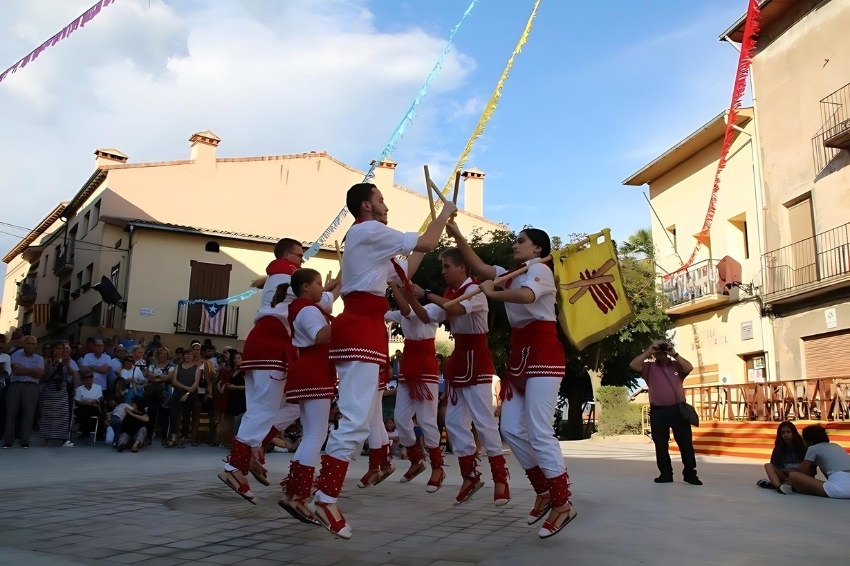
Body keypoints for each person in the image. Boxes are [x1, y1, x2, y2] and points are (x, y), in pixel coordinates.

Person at [306, 181, 456, 540]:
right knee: (355, 421)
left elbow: (409, 266)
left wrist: (437, 225)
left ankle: (326, 492)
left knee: (359, 419)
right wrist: (445, 214)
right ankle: (325, 497)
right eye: (381, 200)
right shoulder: (369, 231)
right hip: (360, 331)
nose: (386, 206)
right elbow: (426, 243)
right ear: (366, 206)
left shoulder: (371, 244)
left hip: (365, 331)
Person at [447, 224, 574, 538]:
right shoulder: (512, 273)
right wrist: (457, 234)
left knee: (540, 431)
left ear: (537, 248)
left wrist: (493, 293)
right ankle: (543, 490)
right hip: (521, 356)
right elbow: (479, 267)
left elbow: (527, 296)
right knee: (511, 429)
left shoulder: (540, 270)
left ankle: (562, 503)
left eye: (521, 241)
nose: (515, 245)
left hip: (543, 352)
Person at [413, 247, 509, 508]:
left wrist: (425, 293)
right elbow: (425, 315)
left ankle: (501, 480)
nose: (443, 271)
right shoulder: (450, 294)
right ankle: (470, 476)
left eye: (447, 266)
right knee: (454, 422)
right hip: (460, 361)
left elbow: (455, 310)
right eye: (442, 266)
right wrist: (408, 295)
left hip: (476, 359)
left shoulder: (474, 290)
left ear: (462, 268)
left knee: (484, 421)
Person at [219, 284, 298, 504]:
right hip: (272, 353)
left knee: (268, 407)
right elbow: (321, 297)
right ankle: (236, 465)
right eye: (317, 284)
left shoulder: (278, 292)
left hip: (261, 350)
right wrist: (338, 283)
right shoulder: (293, 286)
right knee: (265, 409)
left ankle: (253, 450)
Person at [279, 268, 338, 524]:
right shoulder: (308, 311)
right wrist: (344, 322)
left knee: (311, 434)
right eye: (318, 283)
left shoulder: (302, 308)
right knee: (316, 434)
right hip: (315, 372)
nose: (322, 288)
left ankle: (295, 492)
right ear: (305, 287)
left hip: (308, 371)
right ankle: (298, 495)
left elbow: (330, 296)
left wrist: (338, 283)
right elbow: (320, 336)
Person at [385, 281, 447, 492]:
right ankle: (416, 460)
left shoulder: (432, 309)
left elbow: (407, 311)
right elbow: (384, 313)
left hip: (425, 369)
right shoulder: (405, 311)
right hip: (408, 370)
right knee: (401, 418)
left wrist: (392, 284)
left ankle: (438, 467)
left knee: (426, 420)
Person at [629, 340, 700, 486]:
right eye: (657, 350)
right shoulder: (649, 367)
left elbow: (689, 367)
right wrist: (649, 352)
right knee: (660, 444)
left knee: (685, 443)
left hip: (677, 410)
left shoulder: (676, 366)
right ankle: (665, 474)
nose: (660, 352)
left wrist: (674, 354)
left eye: (663, 349)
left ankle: (690, 474)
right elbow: (633, 365)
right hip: (658, 412)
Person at [784, 425, 850, 498]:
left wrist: (786, 471)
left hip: (839, 488)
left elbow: (802, 472)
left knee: (793, 475)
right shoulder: (836, 446)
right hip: (842, 480)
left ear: (808, 440)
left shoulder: (813, 449)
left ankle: (787, 484)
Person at [3, 336, 45, 449]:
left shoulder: (39, 358)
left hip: (32, 387)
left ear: (36, 346)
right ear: (24, 344)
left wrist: (24, 370)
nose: (30, 346)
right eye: (28, 343)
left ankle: (25, 440)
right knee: (11, 413)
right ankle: (8, 440)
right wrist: (33, 370)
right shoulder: (15, 355)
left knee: (28, 413)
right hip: (15, 385)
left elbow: (40, 373)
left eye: (33, 344)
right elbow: (16, 370)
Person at [39, 343, 77, 447]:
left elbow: (72, 374)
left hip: (62, 390)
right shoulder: (47, 360)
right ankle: (46, 439)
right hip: (49, 389)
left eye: (61, 348)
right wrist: (50, 365)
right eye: (57, 348)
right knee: (47, 415)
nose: (59, 350)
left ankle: (64, 439)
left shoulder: (66, 361)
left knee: (63, 415)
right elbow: (44, 375)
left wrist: (66, 365)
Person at [168, 348, 201, 448]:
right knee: (173, 414)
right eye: (186, 354)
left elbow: (195, 384)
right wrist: (185, 388)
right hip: (178, 393)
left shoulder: (197, 368)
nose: (188, 356)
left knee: (186, 416)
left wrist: (187, 393)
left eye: (190, 354)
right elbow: (174, 381)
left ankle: (183, 437)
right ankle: (173, 437)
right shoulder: (178, 367)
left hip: (190, 395)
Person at [759, 422, 806, 490]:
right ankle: (779, 487)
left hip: (801, 476)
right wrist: (786, 471)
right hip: (785, 476)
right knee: (768, 465)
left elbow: (808, 467)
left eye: (788, 432)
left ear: (794, 432)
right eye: (782, 433)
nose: (785, 435)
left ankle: (778, 484)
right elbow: (775, 466)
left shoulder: (803, 446)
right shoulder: (779, 448)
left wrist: (791, 472)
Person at [73, 369, 103, 444]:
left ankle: (83, 430)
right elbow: (77, 400)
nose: (89, 379)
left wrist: (93, 401)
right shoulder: (79, 389)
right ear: (83, 379)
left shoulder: (98, 387)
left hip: (93, 406)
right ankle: (85, 432)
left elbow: (100, 398)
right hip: (83, 406)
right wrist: (83, 402)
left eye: (90, 377)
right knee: (84, 409)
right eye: (86, 378)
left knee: (88, 410)